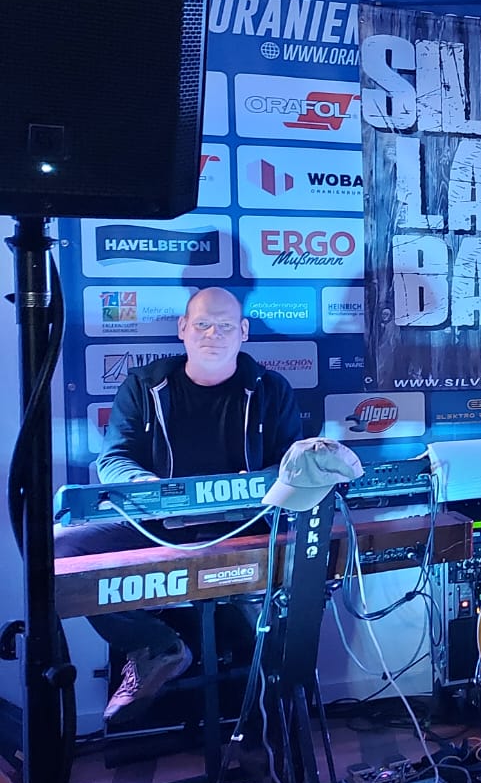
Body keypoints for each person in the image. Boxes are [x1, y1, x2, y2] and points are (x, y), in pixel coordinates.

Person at [56, 287, 300, 722]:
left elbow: (290, 464)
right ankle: (153, 645)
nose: (213, 334)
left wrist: (257, 485)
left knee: (282, 620)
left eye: (225, 325)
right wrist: (145, 487)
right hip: (157, 523)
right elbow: (114, 458)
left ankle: (268, 729)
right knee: (58, 548)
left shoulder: (271, 389)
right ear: (183, 328)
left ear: (243, 332)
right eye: (202, 324)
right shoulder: (144, 385)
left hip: (246, 525)